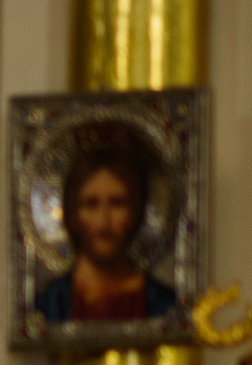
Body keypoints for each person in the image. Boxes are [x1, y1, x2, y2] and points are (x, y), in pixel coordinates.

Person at [33, 126, 182, 323]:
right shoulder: (49, 307)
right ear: (72, 211)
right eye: (91, 204)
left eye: (117, 203)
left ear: (136, 210)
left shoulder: (163, 306)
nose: (104, 222)